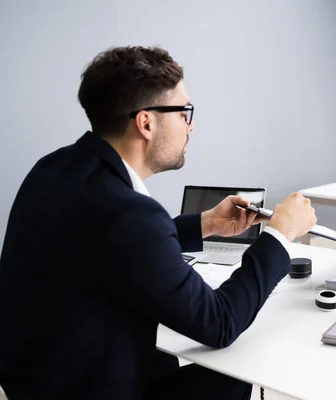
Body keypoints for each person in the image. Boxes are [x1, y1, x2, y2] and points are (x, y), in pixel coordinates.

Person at [0, 46, 316, 399]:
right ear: (146, 122)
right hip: (90, 387)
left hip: (35, 381)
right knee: (238, 369)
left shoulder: (55, 168)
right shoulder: (129, 214)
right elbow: (219, 323)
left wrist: (205, 223)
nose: (191, 125)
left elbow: (110, 242)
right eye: (184, 113)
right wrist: (278, 235)